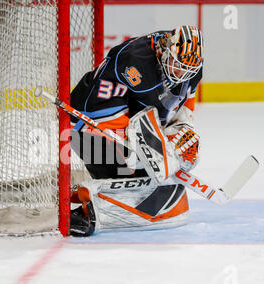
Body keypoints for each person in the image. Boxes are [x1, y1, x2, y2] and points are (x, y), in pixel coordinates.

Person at [69, 25, 204, 237]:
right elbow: (103, 109)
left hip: (129, 122)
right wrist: (143, 146)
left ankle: (99, 194)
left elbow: (183, 104)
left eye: (187, 70)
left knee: (150, 179)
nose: (180, 74)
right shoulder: (135, 60)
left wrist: (182, 131)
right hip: (90, 125)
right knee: (132, 175)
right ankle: (81, 211)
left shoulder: (191, 68)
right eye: (177, 66)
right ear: (166, 51)